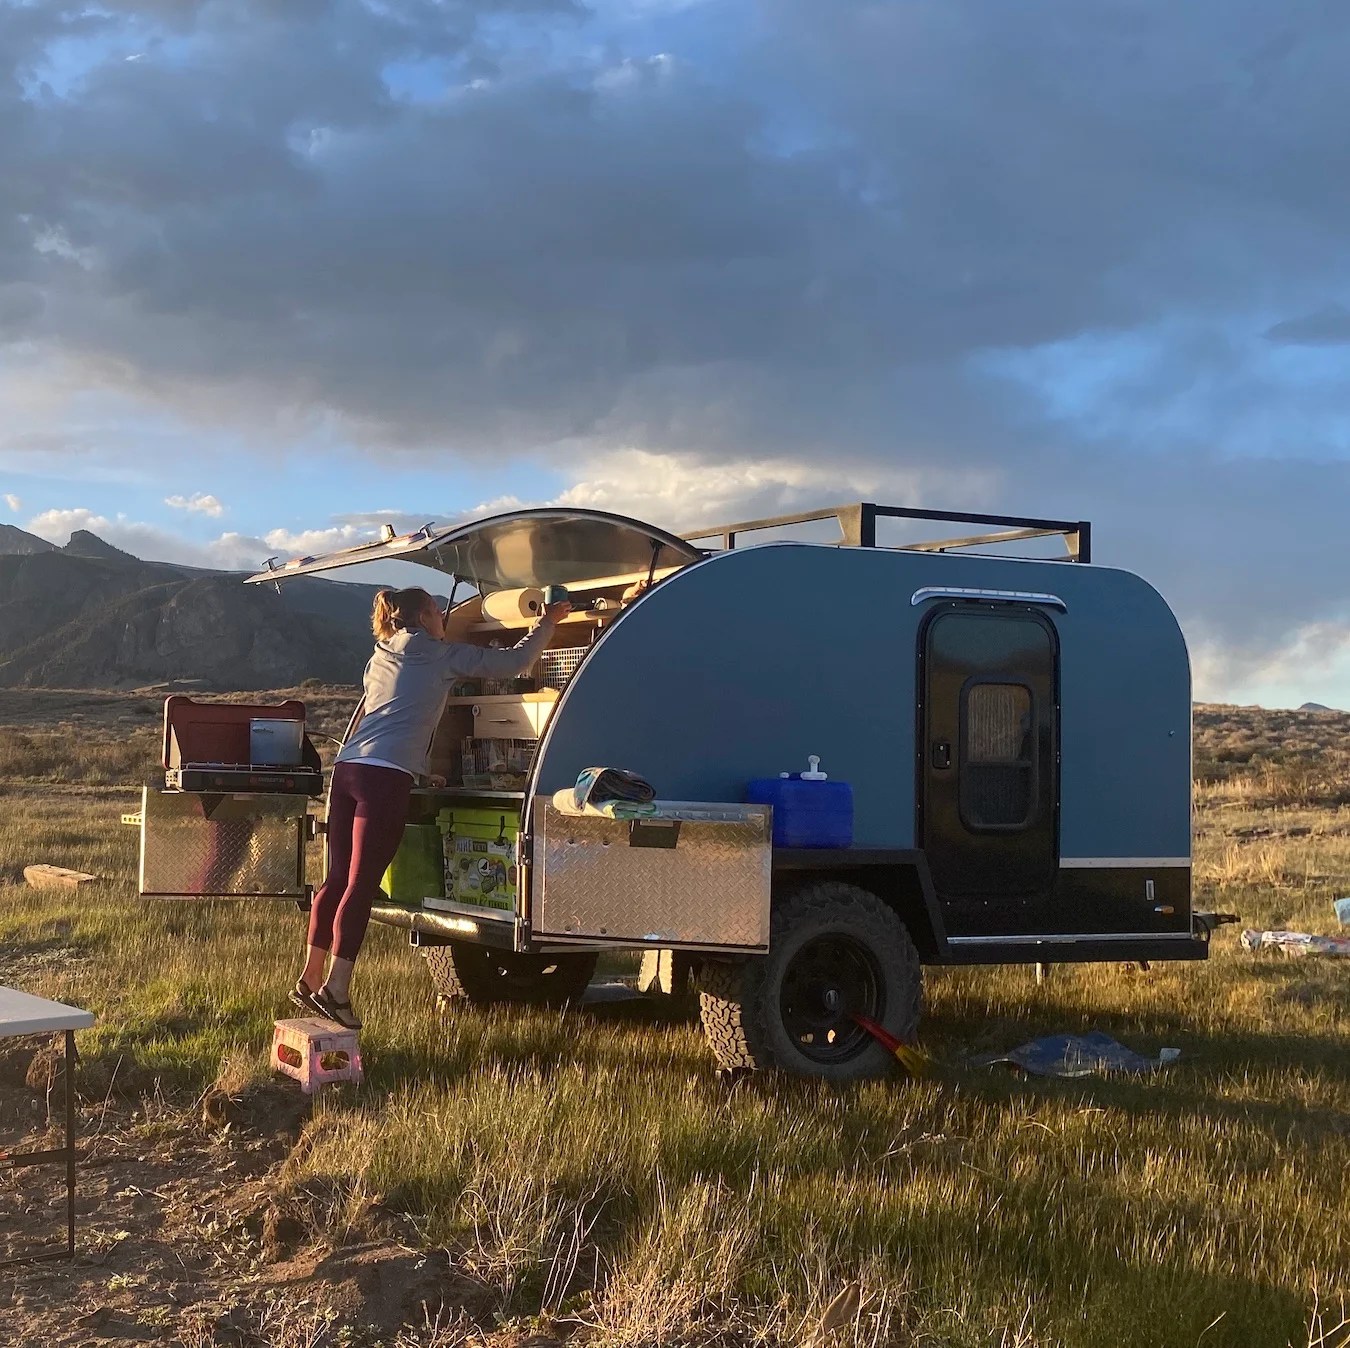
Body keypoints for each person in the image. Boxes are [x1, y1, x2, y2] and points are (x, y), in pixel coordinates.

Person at [294, 584, 569, 1028]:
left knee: (338, 878)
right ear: (424, 617)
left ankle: (309, 980)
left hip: (349, 768)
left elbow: (391, 715)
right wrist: (548, 622)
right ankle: (337, 990)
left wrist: (420, 770)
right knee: (362, 886)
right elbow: (515, 662)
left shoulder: (380, 653)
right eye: (438, 612)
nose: (443, 618)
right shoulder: (441, 654)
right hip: (383, 778)